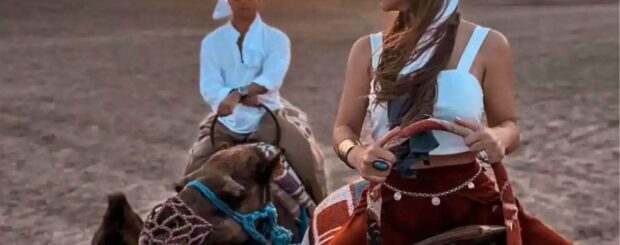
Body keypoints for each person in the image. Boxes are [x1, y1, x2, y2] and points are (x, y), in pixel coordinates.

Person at [328, 0, 572, 244]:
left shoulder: (488, 44)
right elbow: (344, 129)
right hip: (389, 200)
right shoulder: (366, 50)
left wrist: (497, 137)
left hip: (471, 199)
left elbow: (509, 125)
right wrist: (356, 154)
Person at [186, 0, 326, 203]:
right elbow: (210, 87)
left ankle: (319, 216)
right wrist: (236, 96)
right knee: (191, 173)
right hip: (226, 123)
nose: (244, 1)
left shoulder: (277, 39)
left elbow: (271, 78)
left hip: (267, 118)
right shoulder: (212, 42)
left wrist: (237, 94)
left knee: (307, 160)